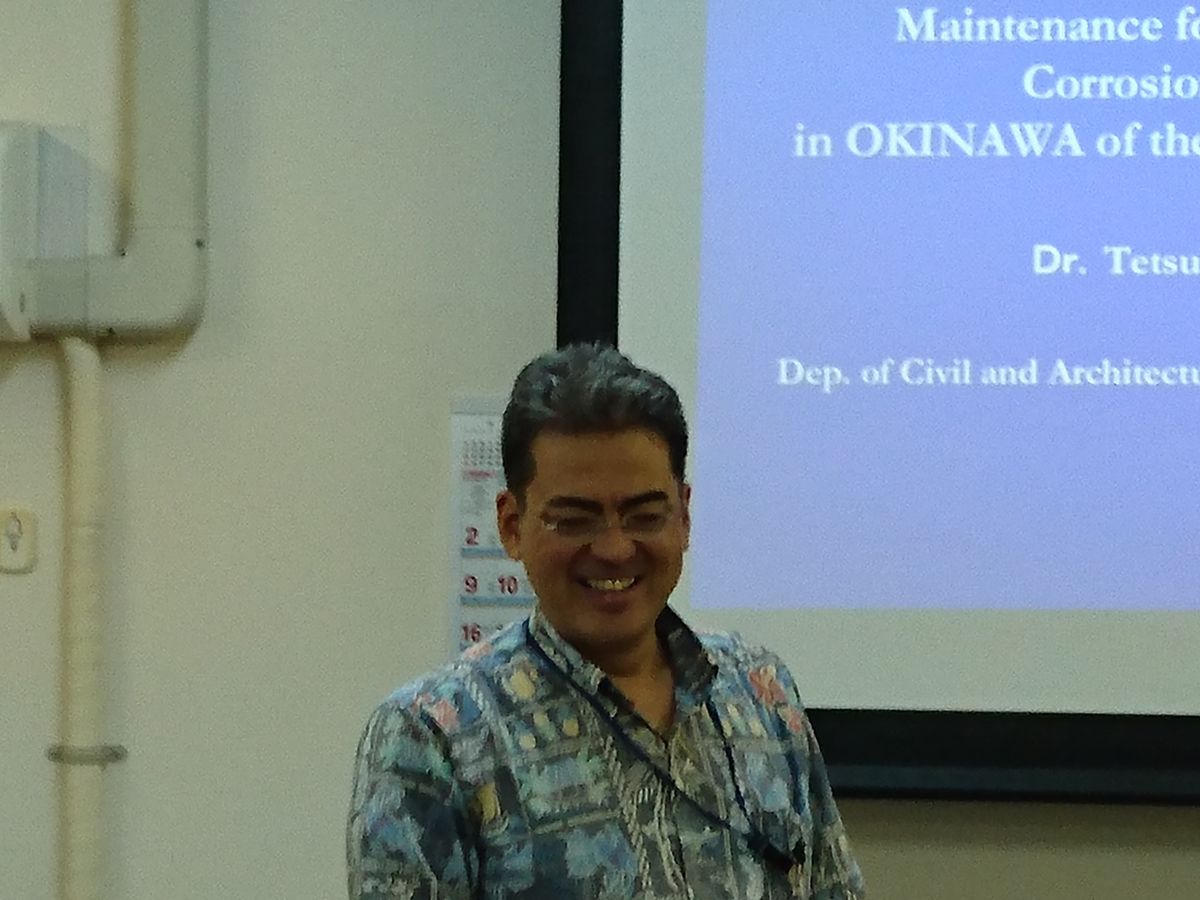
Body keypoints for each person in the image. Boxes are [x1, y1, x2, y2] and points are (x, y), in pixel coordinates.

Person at [347, 344, 865, 899]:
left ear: (684, 517)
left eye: (645, 516)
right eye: (574, 520)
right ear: (512, 525)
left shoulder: (760, 694)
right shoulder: (434, 737)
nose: (615, 549)